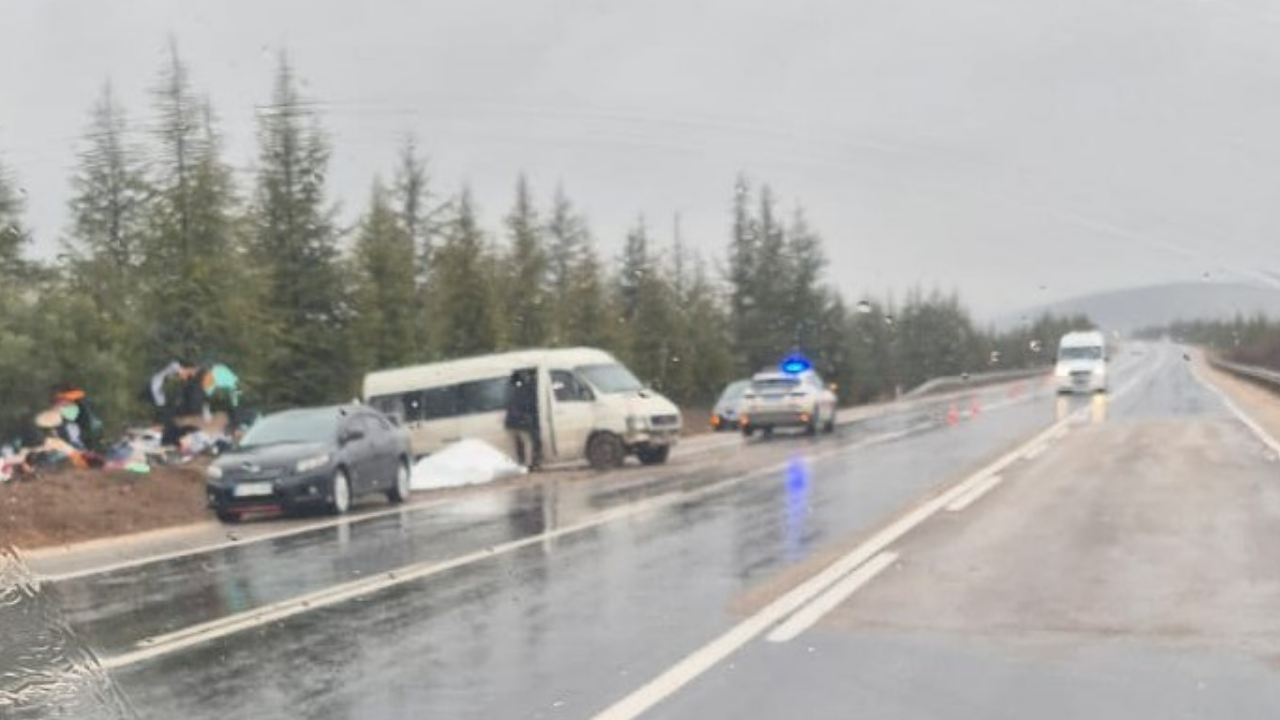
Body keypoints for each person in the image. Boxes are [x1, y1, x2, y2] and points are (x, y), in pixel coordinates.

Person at [143, 359, 199, 446]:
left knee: (166, 412)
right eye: (191, 371)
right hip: (157, 389)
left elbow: (182, 375)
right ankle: (157, 433)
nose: (190, 374)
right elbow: (183, 374)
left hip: (158, 389)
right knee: (166, 412)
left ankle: (161, 432)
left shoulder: (175, 369)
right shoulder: (175, 365)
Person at [505, 368, 542, 469]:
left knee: (517, 446)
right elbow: (528, 406)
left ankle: (519, 463)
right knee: (528, 443)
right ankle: (529, 464)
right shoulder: (525, 390)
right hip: (520, 422)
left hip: (510, 422)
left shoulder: (512, 390)